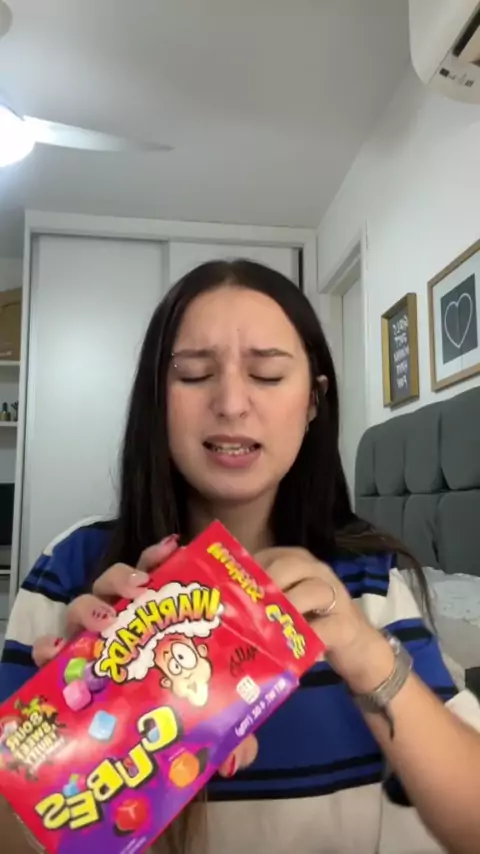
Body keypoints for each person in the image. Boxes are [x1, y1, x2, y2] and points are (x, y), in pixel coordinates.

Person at [1, 259, 480, 854]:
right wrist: (88, 730)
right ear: (156, 398)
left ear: (313, 401)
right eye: (195, 374)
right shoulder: (74, 570)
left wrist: (367, 657)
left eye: (268, 375)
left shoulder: (368, 581)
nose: (230, 403)